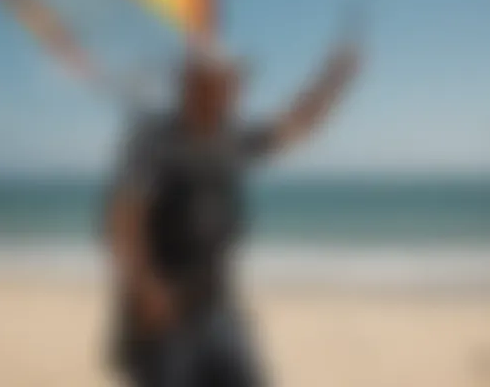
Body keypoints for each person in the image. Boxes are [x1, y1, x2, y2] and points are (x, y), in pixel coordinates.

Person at [105, 36, 361, 386]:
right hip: (164, 313)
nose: (227, 93)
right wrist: (144, 285)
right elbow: (124, 215)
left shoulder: (232, 139)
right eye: (216, 83)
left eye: (231, 84)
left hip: (217, 306)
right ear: (189, 84)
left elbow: (295, 124)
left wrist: (334, 79)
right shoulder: (154, 139)